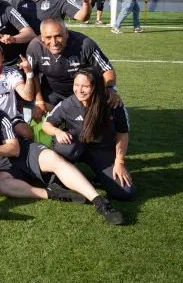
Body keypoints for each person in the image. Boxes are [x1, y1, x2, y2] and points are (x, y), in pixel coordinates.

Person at [0, 83, 124, 224]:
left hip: (23, 153)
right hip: (0, 167)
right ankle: (54, 194)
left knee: (53, 158)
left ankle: (99, 201)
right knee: (2, 185)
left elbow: (15, 148)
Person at [42, 69, 137, 202]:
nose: (79, 90)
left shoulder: (113, 103)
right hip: (76, 146)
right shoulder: (68, 103)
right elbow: (46, 124)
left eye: (85, 86)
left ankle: (99, 174)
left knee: (126, 192)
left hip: (101, 149)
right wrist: (57, 132)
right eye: (76, 85)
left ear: (96, 86)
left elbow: (122, 134)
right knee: (65, 146)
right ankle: (57, 177)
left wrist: (119, 162)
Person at [26, 19, 118, 119]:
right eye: (48, 37)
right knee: (39, 120)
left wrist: (110, 89)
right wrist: (39, 101)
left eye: (58, 36)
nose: (54, 42)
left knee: (100, 117)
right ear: (42, 37)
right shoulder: (34, 47)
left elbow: (106, 69)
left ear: (67, 33)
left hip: (83, 93)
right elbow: (33, 74)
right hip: (51, 94)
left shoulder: (85, 44)